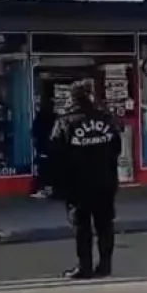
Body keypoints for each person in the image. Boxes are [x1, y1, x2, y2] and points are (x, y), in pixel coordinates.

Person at [49, 79, 121, 279]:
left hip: (77, 183)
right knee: (105, 224)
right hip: (105, 181)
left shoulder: (65, 121)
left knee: (82, 227)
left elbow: (56, 153)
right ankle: (105, 265)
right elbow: (117, 148)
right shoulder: (106, 118)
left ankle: (85, 266)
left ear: (72, 98)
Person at [30, 85, 56, 199]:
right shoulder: (55, 117)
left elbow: (34, 132)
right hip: (53, 146)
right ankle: (51, 188)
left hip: (43, 146)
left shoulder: (40, 117)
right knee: (51, 167)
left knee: (43, 168)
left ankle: (44, 189)